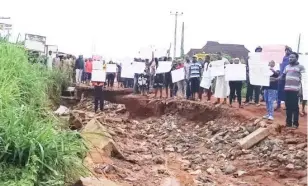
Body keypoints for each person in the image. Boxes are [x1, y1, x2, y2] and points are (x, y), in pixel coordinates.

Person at [276, 52, 305, 128]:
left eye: (292, 57)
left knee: (295, 107)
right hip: (287, 89)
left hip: (295, 90)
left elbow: (304, 79)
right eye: (290, 57)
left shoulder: (301, 67)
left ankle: (295, 124)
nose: (290, 58)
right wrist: (274, 78)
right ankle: (288, 123)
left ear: (296, 58)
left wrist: (301, 90)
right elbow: (282, 76)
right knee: (288, 107)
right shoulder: (287, 67)